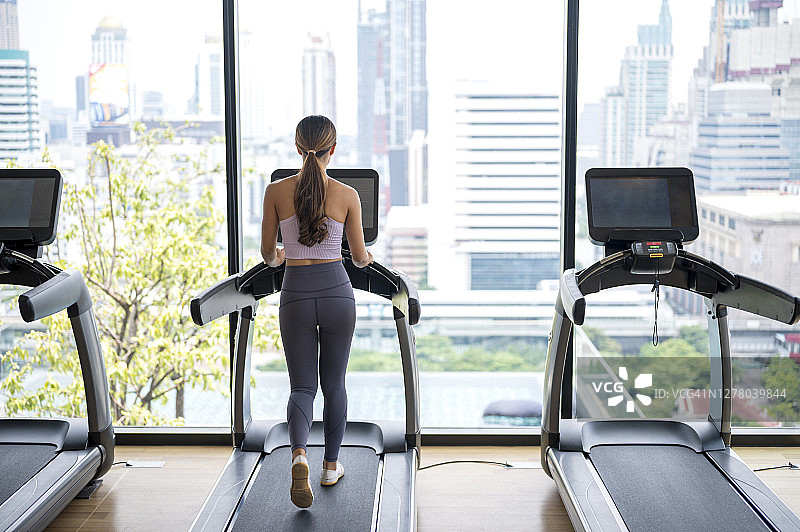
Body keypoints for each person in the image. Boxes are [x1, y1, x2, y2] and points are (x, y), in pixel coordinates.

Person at [260, 115, 373, 509]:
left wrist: (279, 256)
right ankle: (330, 465)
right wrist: (368, 255)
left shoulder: (275, 191)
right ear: (333, 148)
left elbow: (268, 255)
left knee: (302, 388)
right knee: (335, 385)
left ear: (296, 147)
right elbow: (358, 260)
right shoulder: (347, 195)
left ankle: (299, 456)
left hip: (295, 292)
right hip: (338, 295)